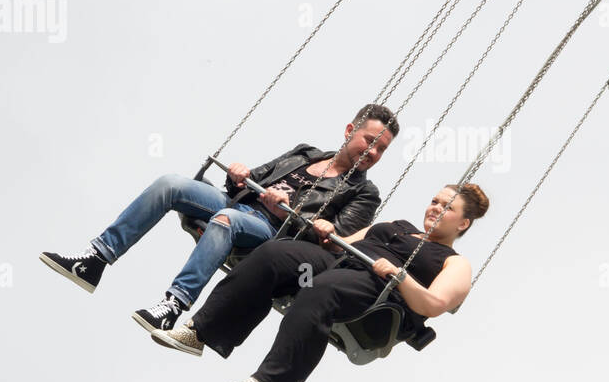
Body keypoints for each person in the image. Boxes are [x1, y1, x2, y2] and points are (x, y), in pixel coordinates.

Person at [39, 104, 400, 332]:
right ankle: (95, 259)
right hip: (238, 203)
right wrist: (240, 173)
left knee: (226, 219)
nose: (373, 151)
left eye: (381, 149)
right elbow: (254, 177)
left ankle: (174, 304)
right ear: (349, 131)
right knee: (171, 184)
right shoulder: (304, 152)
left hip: (273, 232)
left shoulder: (363, 192)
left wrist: (288, 213)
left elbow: (332, 242)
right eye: (369, 140)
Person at [151, 183, 490, 382]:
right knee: (274, 254)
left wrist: (399, 276)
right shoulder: (398, 223)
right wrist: (327, 232)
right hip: (338, 260)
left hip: (378, 290)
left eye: (446, 207)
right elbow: (340, 244)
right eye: (434, 201)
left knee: (321, 290)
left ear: (463, 224)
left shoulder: (456, 263)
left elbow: (431, 304)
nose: (434, 208)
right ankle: (202, 332)